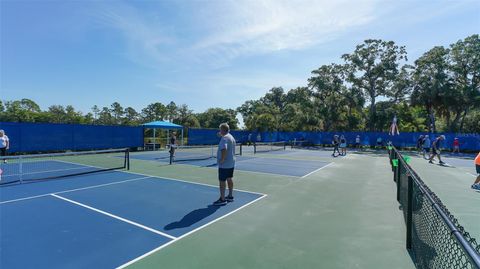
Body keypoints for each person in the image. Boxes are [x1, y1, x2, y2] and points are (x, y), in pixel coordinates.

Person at [213, 123, 236, 206]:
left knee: (222, 181)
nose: (219, 131)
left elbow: (224, 149)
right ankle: (230, 196)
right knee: (229, 179)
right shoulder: (231, 137)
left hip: (225, 164)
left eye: (220, 130)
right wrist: (221, 134)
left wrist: (222, 159)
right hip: (231, 163)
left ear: (222, 130)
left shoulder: (224, 138)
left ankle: (222, 199)